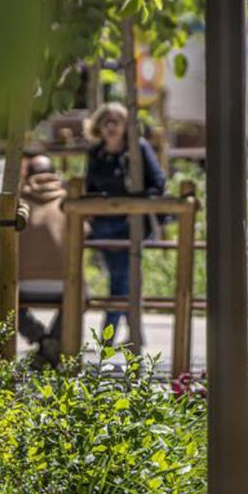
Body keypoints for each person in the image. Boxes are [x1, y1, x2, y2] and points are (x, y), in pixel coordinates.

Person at [84, 102, 166, 336]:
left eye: (116, 121)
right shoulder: (96, 153)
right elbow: (89, 187)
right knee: (125, 280)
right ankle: (136, 335)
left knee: (120, 281)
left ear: (125, 125)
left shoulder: (138, 149)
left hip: (130, 225)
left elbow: (158, 183)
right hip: (103, 228)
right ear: (98, 125)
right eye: (106, 121)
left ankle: (107, 336)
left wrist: (133, 202)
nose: (111, 126)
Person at [18, 154, 70, 367]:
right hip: (63, 283)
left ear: (27, 175)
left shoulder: (18, 199)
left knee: (3, 302)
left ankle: (41, 340)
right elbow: (85, 232)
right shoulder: (68, 200)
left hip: (23, 283)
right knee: (80, 298)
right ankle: (52, 342)